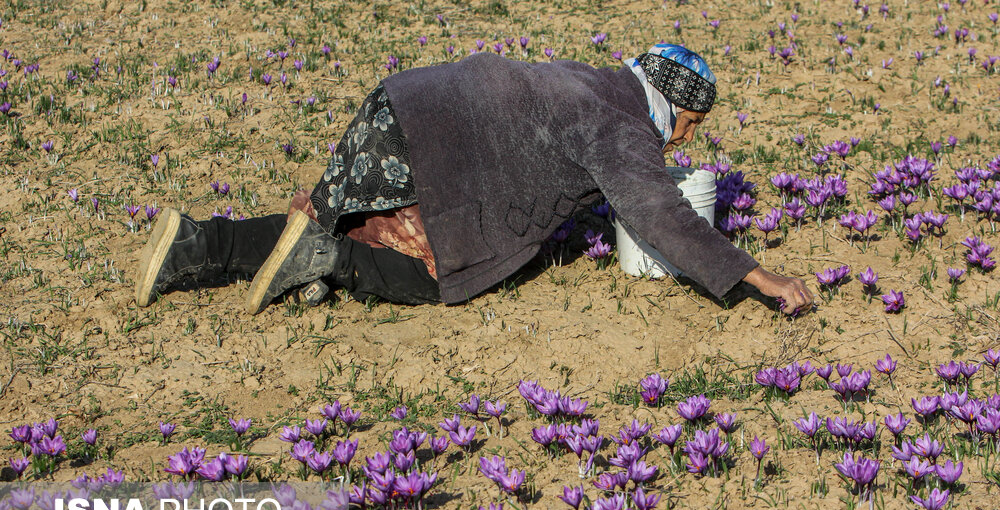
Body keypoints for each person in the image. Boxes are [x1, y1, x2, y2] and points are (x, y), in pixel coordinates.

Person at [135, 43, 814, 316]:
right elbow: (661, 217)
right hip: (439, 155)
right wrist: (760, 278)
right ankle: (330, 262)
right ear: (671, 103)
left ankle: (196, 242)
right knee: (429, 275)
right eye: (691, 122)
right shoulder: (624, 125)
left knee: (322, 216)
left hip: (400, 103)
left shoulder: (598, 80)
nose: (688, 137)